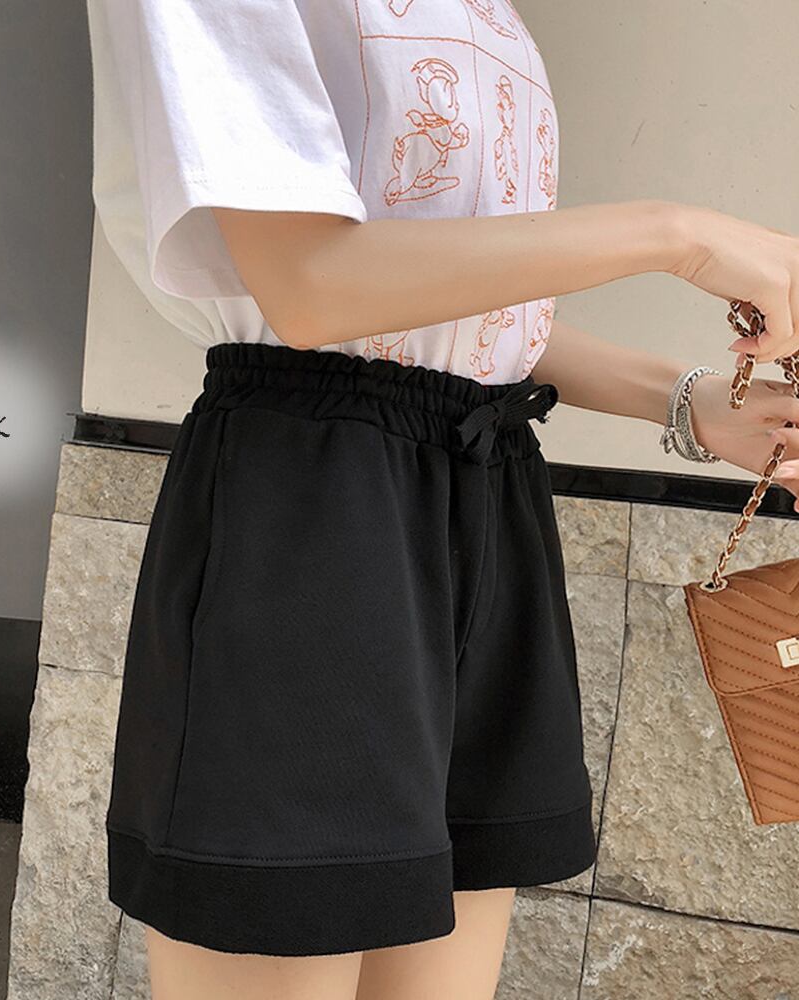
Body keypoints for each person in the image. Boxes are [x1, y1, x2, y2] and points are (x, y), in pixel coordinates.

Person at [85, 2, 799, 998]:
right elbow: (309, 285)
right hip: (313, 504)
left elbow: (447, 305)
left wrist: (686, 401)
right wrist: (678, 236)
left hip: (488, 487)